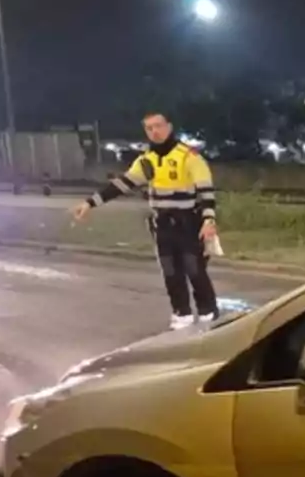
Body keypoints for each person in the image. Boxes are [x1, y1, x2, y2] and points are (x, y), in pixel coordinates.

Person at [72, 112, 219, 329]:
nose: (154, 132)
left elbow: (206, 191)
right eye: (149, 128)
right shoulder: (146, 160)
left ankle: (208, 312)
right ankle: (182, 313)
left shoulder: (189, 157)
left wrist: (208, 221)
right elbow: (122, 184)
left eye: (158, 126)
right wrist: (90, 203)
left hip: (188, 222)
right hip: (162, 223)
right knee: (170, 271)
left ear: (169, 126)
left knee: (194, 269)